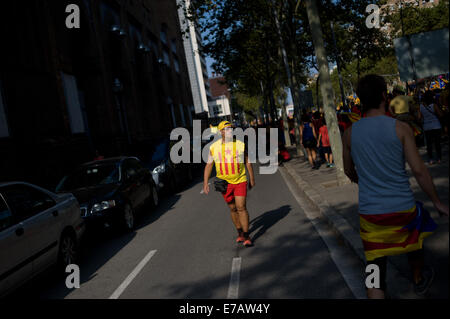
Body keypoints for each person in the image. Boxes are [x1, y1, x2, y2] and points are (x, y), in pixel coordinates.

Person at [343, 74, 448, 299]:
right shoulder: (401, 128)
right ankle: (418, 277)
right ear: (384, 96)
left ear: (360, 100)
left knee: (374, 269)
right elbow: (419, 170)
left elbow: (348, 170)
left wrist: (363, 181)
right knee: (416, 233)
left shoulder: (350, 133)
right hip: (403, 210)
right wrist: (438, 202)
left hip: (370, 215)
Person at [203, 121, 256, 247]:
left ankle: (247, 235)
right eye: (226, 129)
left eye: (231, 129)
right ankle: (240, 233)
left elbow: (247, 162)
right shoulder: (214, 147)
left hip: (240, 180)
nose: (229, 131)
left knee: (241, 207)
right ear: (221, 132)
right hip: (224, 183)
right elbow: (209, 165)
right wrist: (205, 182)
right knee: (232, 208)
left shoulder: (240, 145)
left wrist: (252, 179)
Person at [418, 90, 444, 165]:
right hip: (436, 126)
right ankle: (439, 158)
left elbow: (419, 117)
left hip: (427, 127)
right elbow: (441, 115)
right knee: (437, 143)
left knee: (429, 144)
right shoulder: (434, 105)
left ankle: (431, 159)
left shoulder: (421, 106)